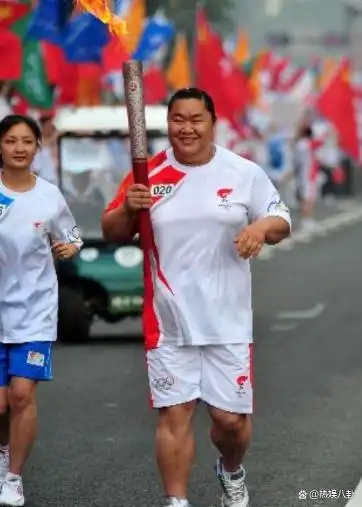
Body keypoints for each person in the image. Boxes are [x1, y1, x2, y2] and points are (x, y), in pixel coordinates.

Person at [101, 88, 291, 507]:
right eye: (178, 120)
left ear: (212, 122)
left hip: (227, 320)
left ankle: (231, 469)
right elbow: (113, 230)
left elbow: (281, 220)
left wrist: (259, 230)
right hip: (167, 318)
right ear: (167, 123)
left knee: (230, 423)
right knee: (175, 414)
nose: (186, 128)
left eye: (195, 119)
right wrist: (128, 210)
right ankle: (177, 501)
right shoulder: (146, 173)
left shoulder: (243, 172)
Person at [0, 114, 82, 506]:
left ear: (36, 147)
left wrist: (70, 247)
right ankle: (3, 453)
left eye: (26, 142)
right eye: (11, 141)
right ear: (0, 147)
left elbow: (72, 234)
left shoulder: (48, 196)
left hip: (33, 310)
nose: (19, 148)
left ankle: (14, 477)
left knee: (20, 396)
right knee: (0, 403)